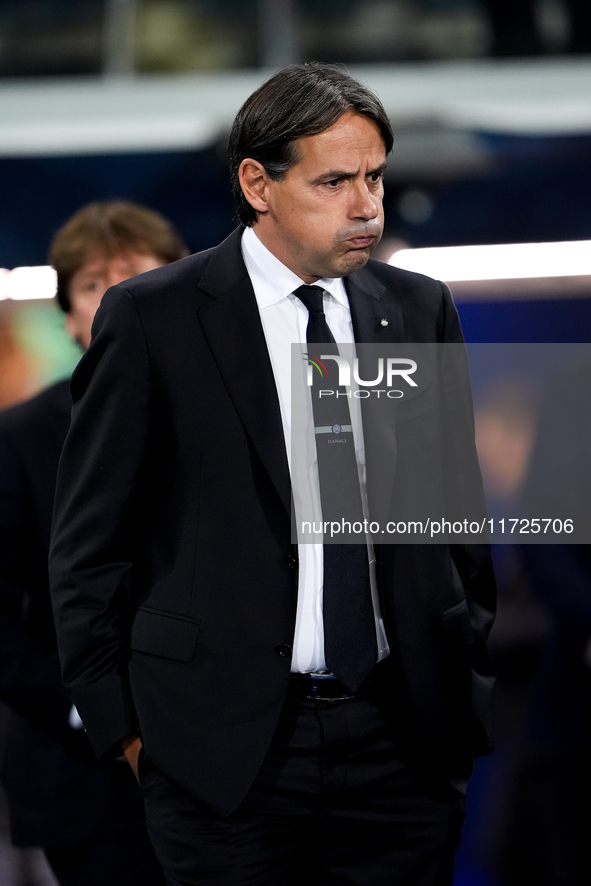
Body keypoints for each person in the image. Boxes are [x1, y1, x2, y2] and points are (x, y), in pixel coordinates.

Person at [49, 63, 496, 886]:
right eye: (334, 181)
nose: (366, 204)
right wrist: (127, 732)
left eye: (374, 177)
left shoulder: (419, 308)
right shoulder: (153, 316)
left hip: (399, 746)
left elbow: (454, 522)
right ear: (258, 182)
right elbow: (88, 545)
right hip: (220, 755)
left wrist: (462, 671)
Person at [0, 200, 187, 886]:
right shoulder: (19, 438)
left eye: (136, 274)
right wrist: (83, 704)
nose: (114, 297)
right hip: (82, 775)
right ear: (68, 313)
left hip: (231, 762)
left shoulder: (237, 417)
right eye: (91, 282)